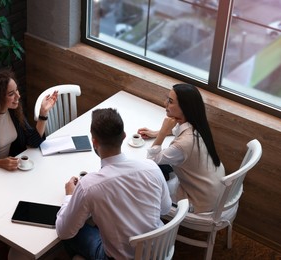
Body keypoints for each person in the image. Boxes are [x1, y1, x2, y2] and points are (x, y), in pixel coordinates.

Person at [55, 108, 172, 260]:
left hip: (116, 257)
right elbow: (165, 208)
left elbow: (64, 231)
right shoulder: (151, 167)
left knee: (69, 230)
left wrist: (69, 197)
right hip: (157, 253)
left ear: (94, 142)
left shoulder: (88, 186)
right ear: (124, 136)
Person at [138, 83, 225, 213]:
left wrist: (162, 133)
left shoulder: (184, 144)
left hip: (199, 200)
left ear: (185, 108)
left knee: (143, 190)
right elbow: (177, 131)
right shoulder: (197, 125)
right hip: (213, 187)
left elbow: (151, 159)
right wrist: (156, 133)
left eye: (170, 101)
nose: (165, 103)